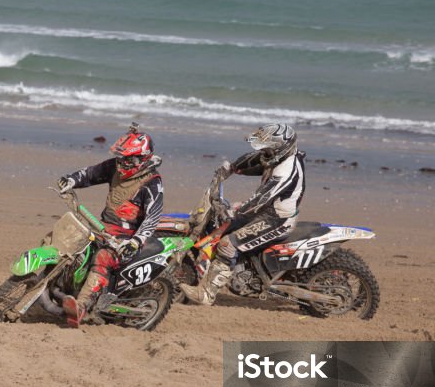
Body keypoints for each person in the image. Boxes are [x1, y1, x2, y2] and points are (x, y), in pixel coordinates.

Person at [180, 123, 305, 305]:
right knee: (223, 224)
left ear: (280, 149)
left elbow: (259, 200)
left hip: (277, 219)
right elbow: (252, 160)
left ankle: (206, 294)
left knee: (227, 244)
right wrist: (230, 168)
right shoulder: (276, 157)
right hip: (266, 211)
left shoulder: (286, 171)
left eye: (268, 150)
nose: (264, 153)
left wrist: (234, 211)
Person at [56, 124, 164, 327]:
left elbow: (152, 217)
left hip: (127, 237)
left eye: (127, 160)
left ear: (141, 159)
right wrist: (71, 180)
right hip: (103, 227)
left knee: (102, 257)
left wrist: (136, 241)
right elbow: (90, 174)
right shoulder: (116, 166)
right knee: (71, 238)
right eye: (121, 158)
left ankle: (81, 307)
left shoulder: (152, 183)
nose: (121, 164)